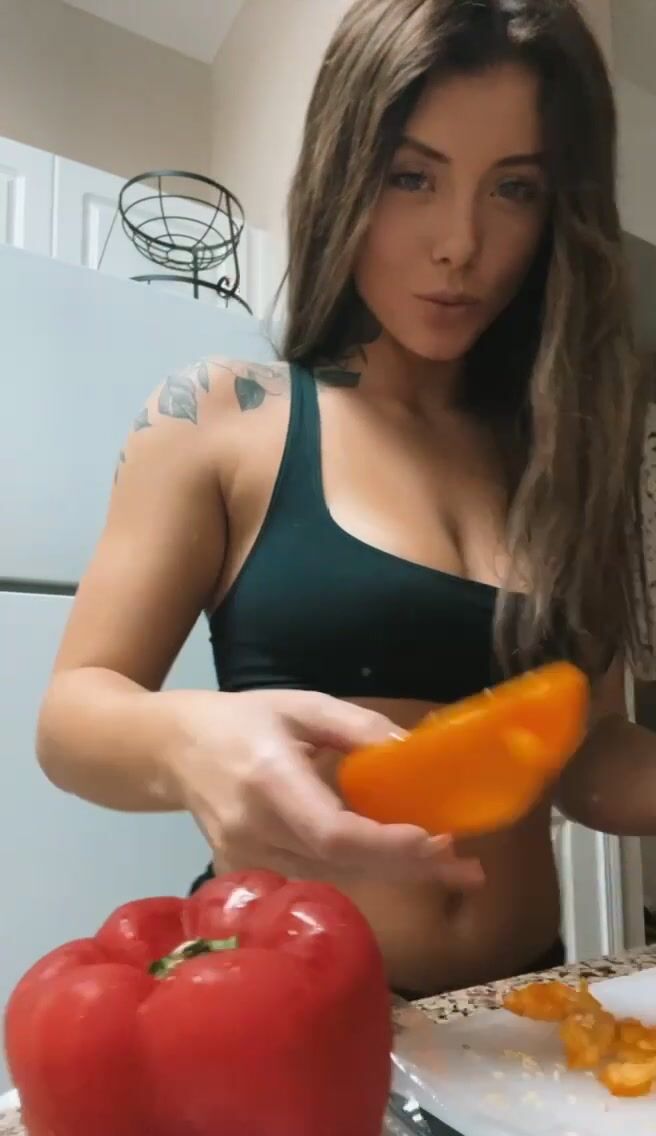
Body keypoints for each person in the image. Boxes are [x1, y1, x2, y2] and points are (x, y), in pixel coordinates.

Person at [35, 0, 656, 1000]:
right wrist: (192, 739)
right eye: (412, 176)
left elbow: (589, 756)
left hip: (522, 1013)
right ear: (344, 171)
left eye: (513, 189)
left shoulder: (564, 459)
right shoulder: (222, 416)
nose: (459, 243)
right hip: (280, 1012)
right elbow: (72, 716)